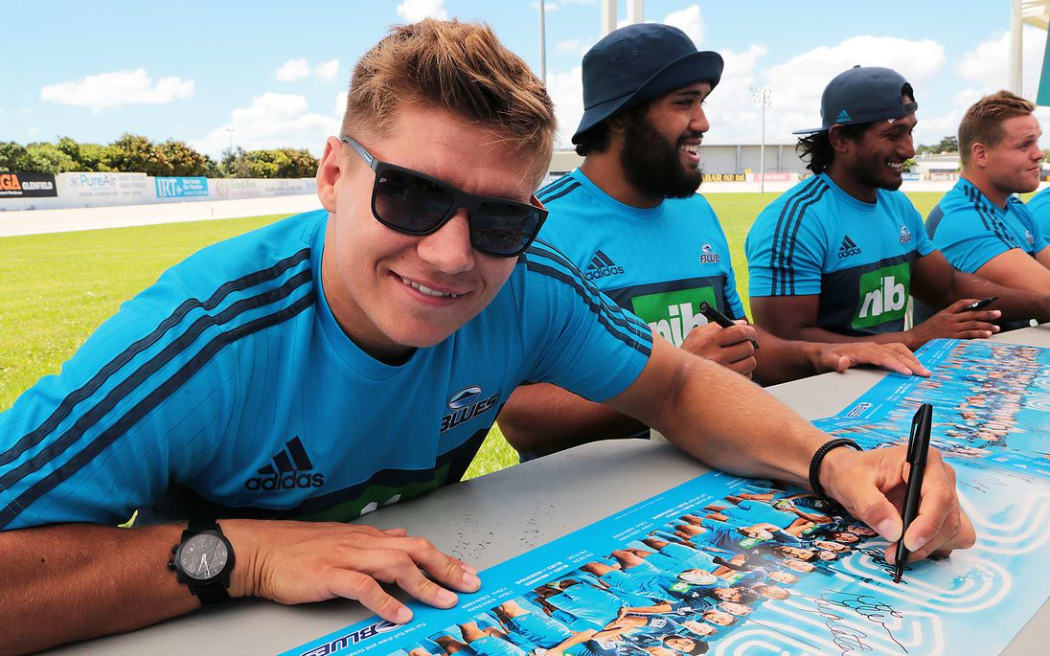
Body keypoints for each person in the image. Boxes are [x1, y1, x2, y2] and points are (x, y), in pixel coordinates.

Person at [0, 21, 972, 655]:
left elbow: (677, 387)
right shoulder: (205, 337)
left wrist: (834, 462)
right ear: (333, 174)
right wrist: (242, 555)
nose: (452, 254)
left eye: (502, 217)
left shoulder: (530, 285)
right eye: (410, 193)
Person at [497, 25, 928, 456]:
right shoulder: (545, 225)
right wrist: (675, 378)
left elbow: (740, 342)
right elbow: (519, 420)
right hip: (593, 490)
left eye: (702, 102)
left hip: (704, 472)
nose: (702, 123)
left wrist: (823, 356)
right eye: (684, 102)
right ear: (620, 116)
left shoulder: (697, 211)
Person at [745, 66, 1050, 349]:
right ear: (840, 139)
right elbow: (784, 342)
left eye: (910, 131)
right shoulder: (798, 220)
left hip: (891, 378)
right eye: (893, 135)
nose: (909, 149)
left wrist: (1043, 304)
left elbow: (947, 287)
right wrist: (913, 338)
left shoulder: (897, 206)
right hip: (824, 388)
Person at [921, 91, 1050, 328]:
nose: (1039, 154)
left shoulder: (1015, 209)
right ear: (981, 154)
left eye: (1037, 142)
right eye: (1025, 145)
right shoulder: (962, 220)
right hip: (966, 353)